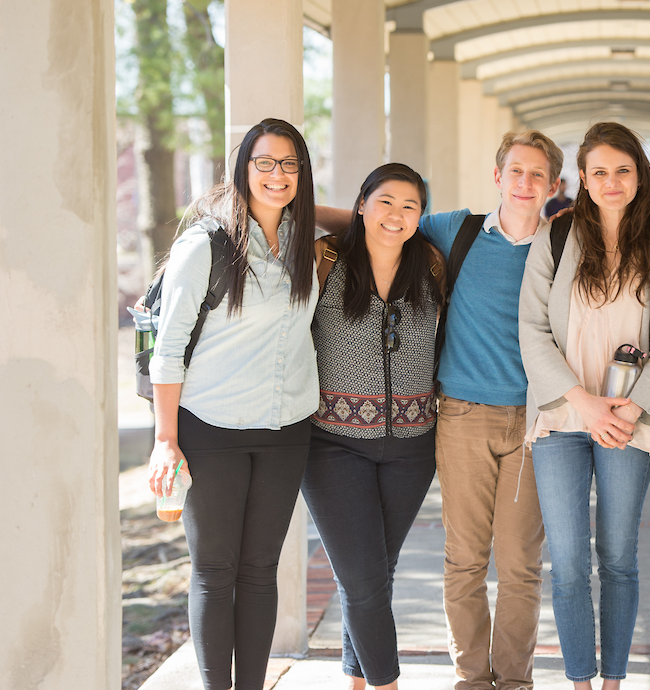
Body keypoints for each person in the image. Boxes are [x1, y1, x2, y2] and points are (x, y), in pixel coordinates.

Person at [318, 130, 564, 690]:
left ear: (554, 185)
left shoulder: (565, 246)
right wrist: (283, 199)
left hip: (536, 422)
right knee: (465, 561)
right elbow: (382, 222)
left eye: (537, 175)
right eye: (515, 171)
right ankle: (471, 679)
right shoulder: (458, 230)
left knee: (521, 566)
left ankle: (515, 681)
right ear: (497, 175)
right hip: (461, 418)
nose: (525, 183)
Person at [147, 118, 319, 690]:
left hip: (286, 425)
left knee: (260, 571)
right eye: (264, 163)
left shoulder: (304, 240)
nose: (277, 175)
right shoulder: (204, 244)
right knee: (216, 572)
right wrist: (164, 441)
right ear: (241, 168)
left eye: (289, 164)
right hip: (210, 427)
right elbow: (167, 352)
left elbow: (361, 215)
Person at [518, 122, 650, 689]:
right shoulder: (556, 237)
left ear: (640, 176)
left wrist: (631, 408)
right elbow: (532, 329)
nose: (611, 182)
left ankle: (614, 680)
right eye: (599, 172)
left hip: (629, 422)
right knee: (567, 563)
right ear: (583, 180)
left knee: (617, 557)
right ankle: (580, 681)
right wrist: (583, 404)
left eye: (623, 170)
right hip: (563, 416)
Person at [302, 163, 444, 690]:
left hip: (412, 447)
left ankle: (357, 682)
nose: (396, 215)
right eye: (384, 201)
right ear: (360, 203)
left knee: (374, 575)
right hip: (332, 446)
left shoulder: (431, 263)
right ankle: (388, 684)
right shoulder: (324, 259)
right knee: (361, 578)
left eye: (410, 206)